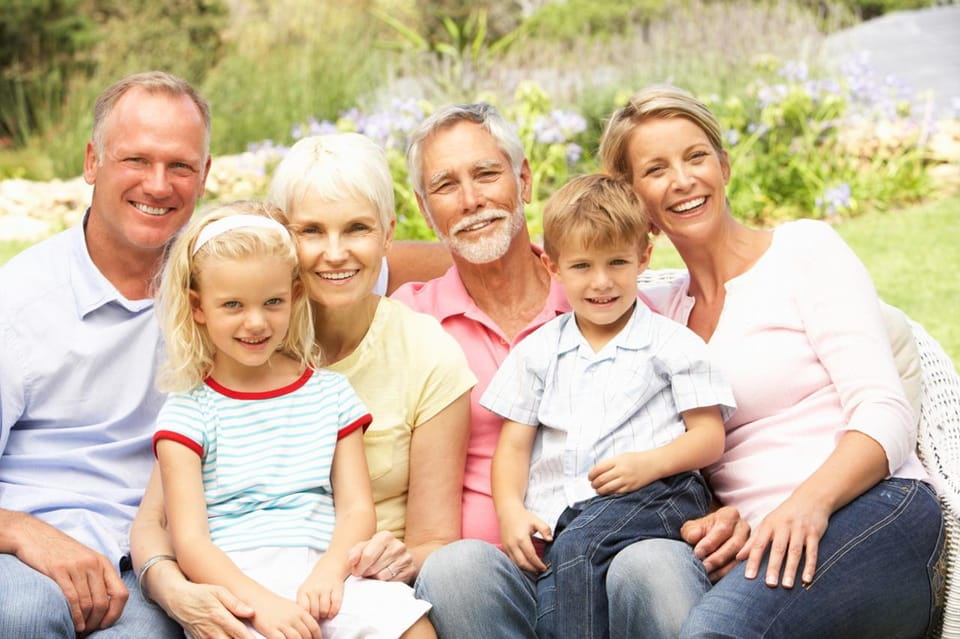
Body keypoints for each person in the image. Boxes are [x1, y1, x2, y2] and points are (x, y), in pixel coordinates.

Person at [598, 85, 944, 638]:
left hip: (877, 512)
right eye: (656, 169)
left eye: (695, 157)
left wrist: (807, 503)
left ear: (724, 166)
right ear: (634, 199)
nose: (683, 180)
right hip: (764, 543)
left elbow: (885, 412)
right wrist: (717, 514)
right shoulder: (657, 316)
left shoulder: (804, 251)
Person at [132, 132, 474, 635]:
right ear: (282, 239)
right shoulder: (230, 359)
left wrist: (363, 566)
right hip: (239, 577)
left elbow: (432, 538)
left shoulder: (417, 354)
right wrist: (176, 590)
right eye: (311, 231)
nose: (335, 253)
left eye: (356, 228)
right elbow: (162, 523)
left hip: (350, 576)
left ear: (387, 234)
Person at [391, 103, 672, 639]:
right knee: (455, 568)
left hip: (615, 553)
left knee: (657, 565)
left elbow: (680, 417)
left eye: (487, 174)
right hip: (491, 578)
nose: (471, 199)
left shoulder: (602, 291)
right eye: (445, 186)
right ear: (427, 213)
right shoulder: (410, 320)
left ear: (523, 180)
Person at [0, 71, 236, 638]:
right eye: (135, 160)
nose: (158, 185)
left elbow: (345, 257)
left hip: (151, 558)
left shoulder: (225, 291)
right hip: (24, 547)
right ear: (92, 162)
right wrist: (22, 532)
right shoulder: (19, 301)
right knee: (24, 614)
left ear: (204, 176)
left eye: (179, 166)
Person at [482, 173, 735, 639]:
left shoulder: (671, 344)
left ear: (643, 258)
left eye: (617, 262)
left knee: (578, 540)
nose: (601, 282)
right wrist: (510, 512)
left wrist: (648, 464)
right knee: (575, 541)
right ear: (554, 267)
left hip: (663, 493)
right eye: (582, 266)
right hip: (574, 519)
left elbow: (709, 437)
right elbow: (513, 448)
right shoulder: (538, 353)